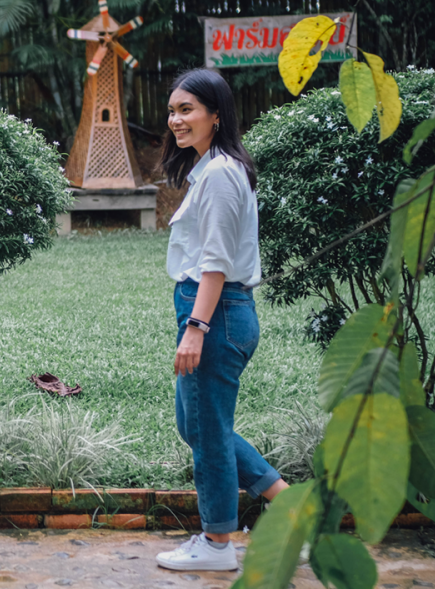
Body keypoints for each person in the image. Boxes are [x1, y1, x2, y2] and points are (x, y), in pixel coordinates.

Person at [155, 68, 290, 572]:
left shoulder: (219, 174)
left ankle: (216, 545)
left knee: (208, 433)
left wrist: (196, 328)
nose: (176, 120)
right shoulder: (212, 169)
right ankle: (294, 509)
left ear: (216, 114)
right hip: (217, 310)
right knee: (196, 425)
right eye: (173, 111)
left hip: (216, 313)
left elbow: (214, 262)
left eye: (187, 109)